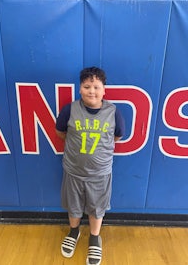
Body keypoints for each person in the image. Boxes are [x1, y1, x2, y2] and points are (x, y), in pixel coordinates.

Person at [56, 66, 124, 265]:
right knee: (74, 206)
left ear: (104, 90)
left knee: (96, 208)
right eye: (86, 86)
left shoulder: (113, 112)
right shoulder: (70, 109)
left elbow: (117, 136)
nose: (91, 91)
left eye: (96, 86)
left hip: (100, 173)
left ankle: (95, 238)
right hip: (73, 171)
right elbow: (61, 132)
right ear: (80, 89)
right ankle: (74, 232)